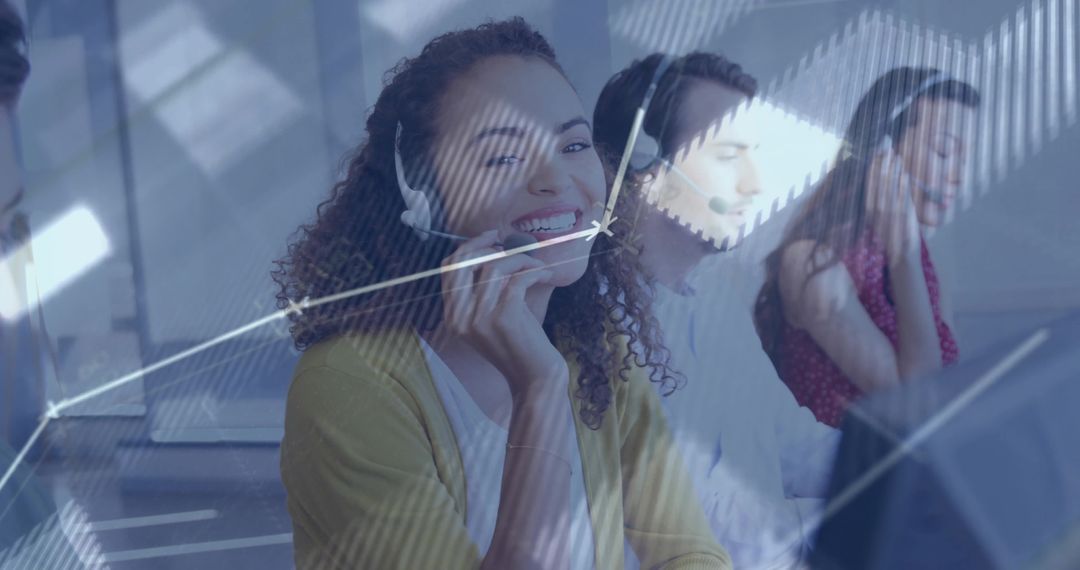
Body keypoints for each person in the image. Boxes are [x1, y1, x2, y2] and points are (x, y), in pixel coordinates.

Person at [273, 19, 731, 570]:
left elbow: (690, 554)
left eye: (574, 144)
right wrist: (538, 389)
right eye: (502, 157)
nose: (555, 179)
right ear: (421, 196)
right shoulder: (346, 388)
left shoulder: (594, 344)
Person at [593, 52, 839, 569]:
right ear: (643, 164)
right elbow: (714, 522)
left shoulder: (715, 295)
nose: (754, 183)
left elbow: (790, 440)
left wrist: (911, 466)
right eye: (730, 155)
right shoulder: (596, 328)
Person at [754, 67, 980, 427]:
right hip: (841, 478)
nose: (958, 177)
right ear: (882, 151)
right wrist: (903, 253)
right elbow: (918, 402)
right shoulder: (813, 264)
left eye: (965, 160)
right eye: (943, 152)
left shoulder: (920, 259)